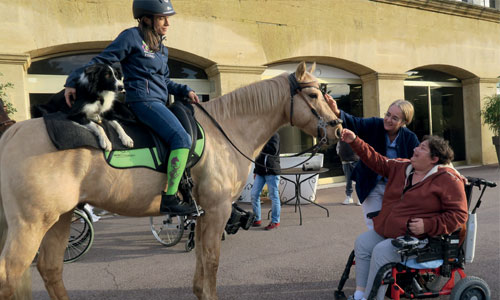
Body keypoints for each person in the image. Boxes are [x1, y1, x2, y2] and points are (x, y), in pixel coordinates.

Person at [64, 0, 199, 216]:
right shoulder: (131, 37)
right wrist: (72, 80)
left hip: (160, 101)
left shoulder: (162, 48)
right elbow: (102, 60)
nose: (167, 23)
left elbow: (165, 81)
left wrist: (185, 90)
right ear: (146, 18)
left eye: (168, 18)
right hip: (143, 101)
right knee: (181, 139)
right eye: (162, 18)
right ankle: (170, 197)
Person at [341, 128, 468, 300]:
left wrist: (427, 224)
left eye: (422, 148)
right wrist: (354, 140)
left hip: (422, 240)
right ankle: (359, 294)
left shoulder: (447, 179)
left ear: (434, 159)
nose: (415, 149)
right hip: (392, 232)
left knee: (381, 251)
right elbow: (376, 160)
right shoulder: (403, 167)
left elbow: (459, 215)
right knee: (363, 243)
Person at [326, 95, 420, 229]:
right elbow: (355, 122)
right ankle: (375, 248)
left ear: (404, 122)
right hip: (371, 185)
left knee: (394, 225)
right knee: (374, 225)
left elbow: (418, 163)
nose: (388, 120)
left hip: (396, 189)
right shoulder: (375, 124)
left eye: (395, 118)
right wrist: (336, 111)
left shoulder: (410, 138)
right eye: (388, 114)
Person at [251, 133, 281, 230]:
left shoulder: (274, 135)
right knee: (254, 194)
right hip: (260, 172)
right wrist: (255, 170)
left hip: (271, 171)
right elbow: (257, 155)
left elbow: (273, 150)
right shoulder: (261, 134)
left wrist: (260, 143)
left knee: (273, 196)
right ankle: (257, 219)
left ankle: (275, 221)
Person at [336, 140, 360, 205]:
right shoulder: (341, 137)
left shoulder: (356, 133)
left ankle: (360, 198)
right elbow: (338, 146)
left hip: (356, 161)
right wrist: (340, 154)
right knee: (348, 181)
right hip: (345, 162)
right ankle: (349, 197)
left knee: (359, 180)